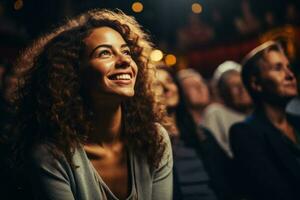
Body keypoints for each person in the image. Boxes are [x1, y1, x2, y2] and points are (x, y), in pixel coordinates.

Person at [1, 9, 173, 200]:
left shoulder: (154, 139)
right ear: (72, 74)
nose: (125, 60)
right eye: (105, 53)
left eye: (126, 51)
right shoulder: (53, 155)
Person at [230, 41, 300, 200]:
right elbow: (275, 192)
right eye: (277, 68)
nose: (290, 75)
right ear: (256, 83)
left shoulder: (297, 123)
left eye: (288, 67)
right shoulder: (245, 133)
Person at [154, 66, 236, 200]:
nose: (167, 88)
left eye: (170, 81)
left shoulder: (203, 135)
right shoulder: (151, 143)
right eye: (156, 84)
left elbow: (229, 178)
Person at [202, 61, 252, 157]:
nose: (242, 89)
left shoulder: (258, 113)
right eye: (233, 85)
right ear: (223, 92)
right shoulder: (216, 113)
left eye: (243, 82)